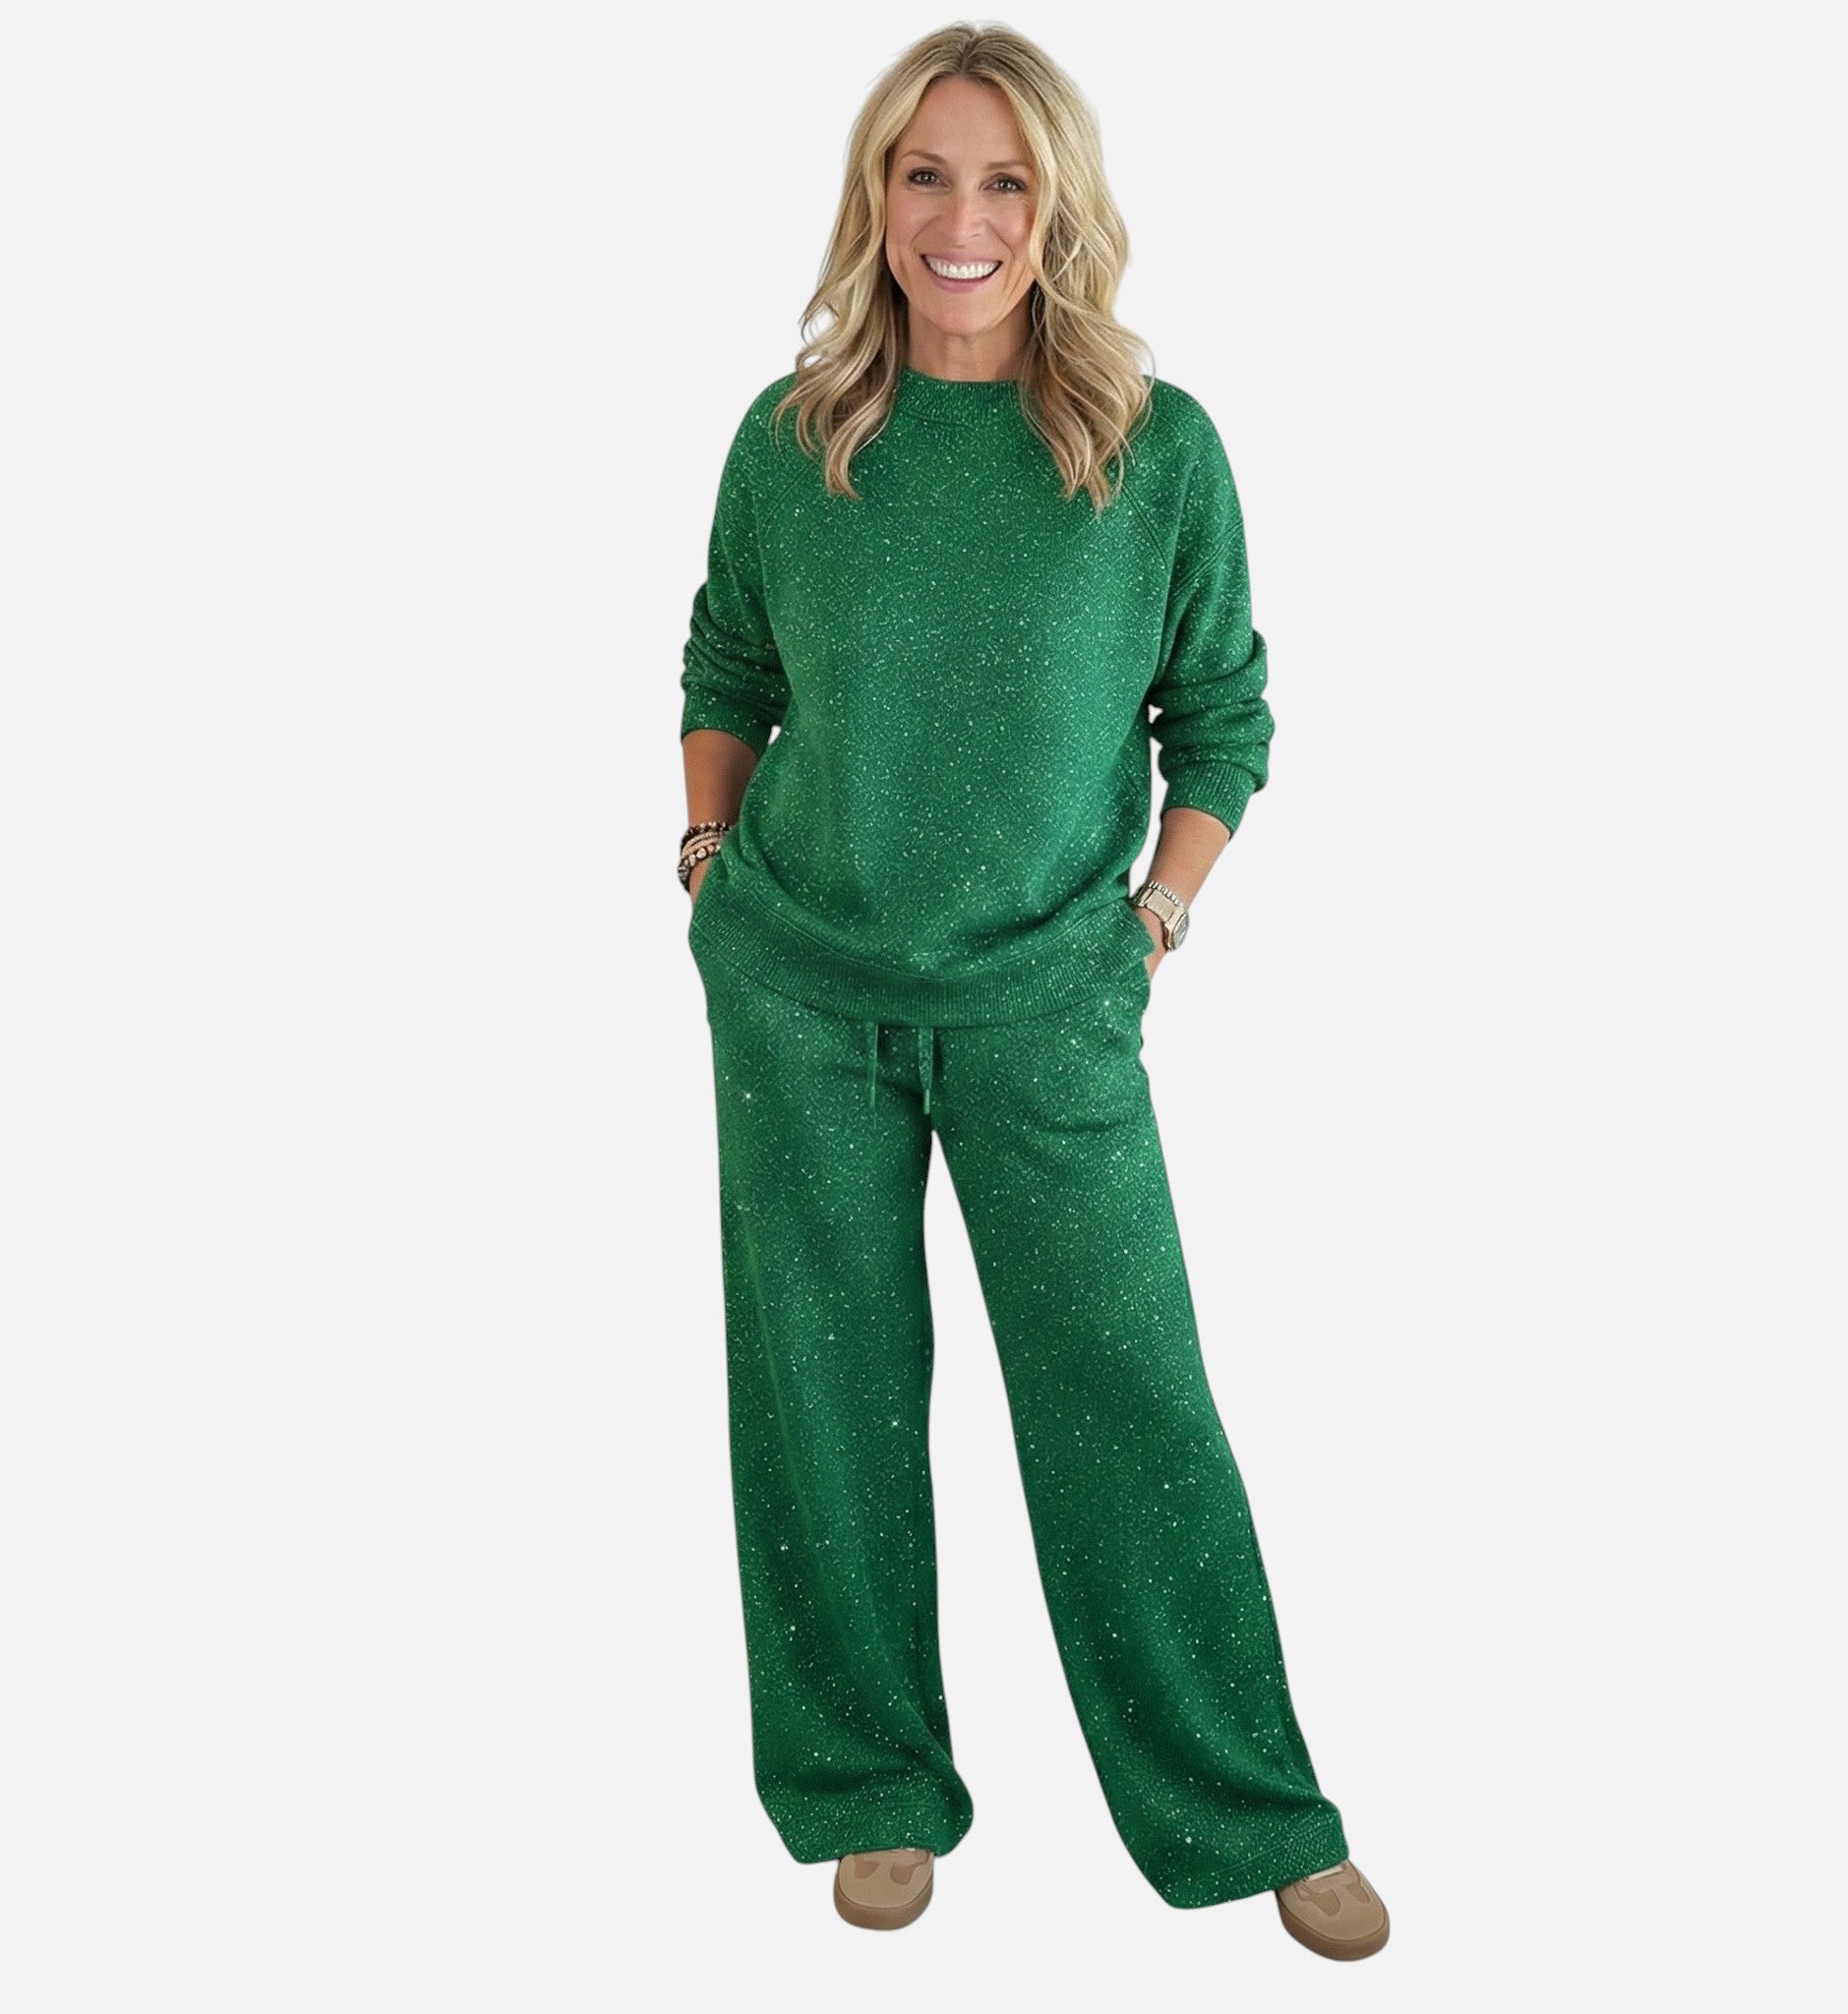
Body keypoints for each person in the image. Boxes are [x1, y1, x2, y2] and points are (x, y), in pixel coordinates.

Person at [675, 22, 1388, 1959]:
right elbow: (727, 662)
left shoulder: (1157, 448)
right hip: (798, 993)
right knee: (821, 1400)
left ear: (1057, 206)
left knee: (1126, 1397)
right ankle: (867, 1784)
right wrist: (706, 859)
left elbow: (1222, 715)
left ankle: (1251, 1806)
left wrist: (1158, 917)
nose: (963, 219)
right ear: (877, 198)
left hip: (1049, 1001)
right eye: (926, 174)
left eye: (1004, 180)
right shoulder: (792, 437)